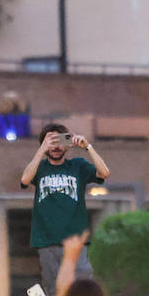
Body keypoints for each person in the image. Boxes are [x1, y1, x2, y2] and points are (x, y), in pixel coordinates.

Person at [20, 122, 111, 286]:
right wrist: (42, 149)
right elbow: (25, 179)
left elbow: (104, 173)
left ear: (68, 144)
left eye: (60, 141)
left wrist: (88, 147)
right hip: (47, 240)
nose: (56, 147)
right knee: (54, 290)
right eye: (51, 142)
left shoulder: (77, 166)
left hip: (75, 239)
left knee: (81, 285)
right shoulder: (39, 168)